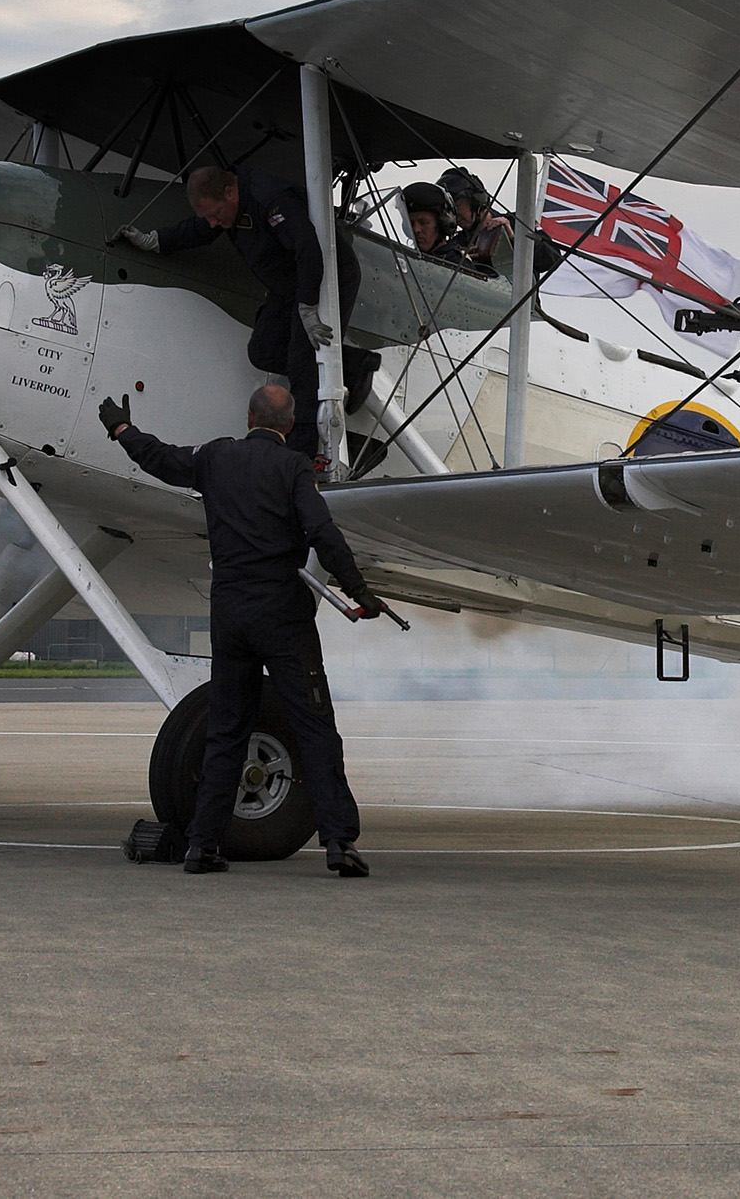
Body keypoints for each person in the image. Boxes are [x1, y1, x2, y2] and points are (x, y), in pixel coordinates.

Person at [98, 382, 385, 877]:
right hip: (283, 615)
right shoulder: (295, 467)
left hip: (230, 613)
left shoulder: (215, 459)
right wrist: (359, 591)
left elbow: (161, 459)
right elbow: (322, 532)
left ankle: (203, 843)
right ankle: (339, 841)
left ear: (248, 418)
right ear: (289, 425)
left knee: (227, 729)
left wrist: (122, 430)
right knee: (314, 727)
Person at [115, 167, 377, 465]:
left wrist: (308, 307)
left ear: (229, 191)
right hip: (288, 284)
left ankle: (299, 458)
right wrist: (155, 241)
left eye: (215, 214)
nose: (214, 223)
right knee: (263, 350)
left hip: (326, 278)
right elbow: (198, 229)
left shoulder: (270, 199)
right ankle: (355, 365)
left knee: (304, 364)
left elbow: (307, 248)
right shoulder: (227, 208)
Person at [437, 168, 510, 279]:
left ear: (476, 200)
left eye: (457, 207)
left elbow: (544, 258)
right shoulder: (456, 244)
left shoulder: (516, 224)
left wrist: (512, 238)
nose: (455, 215)